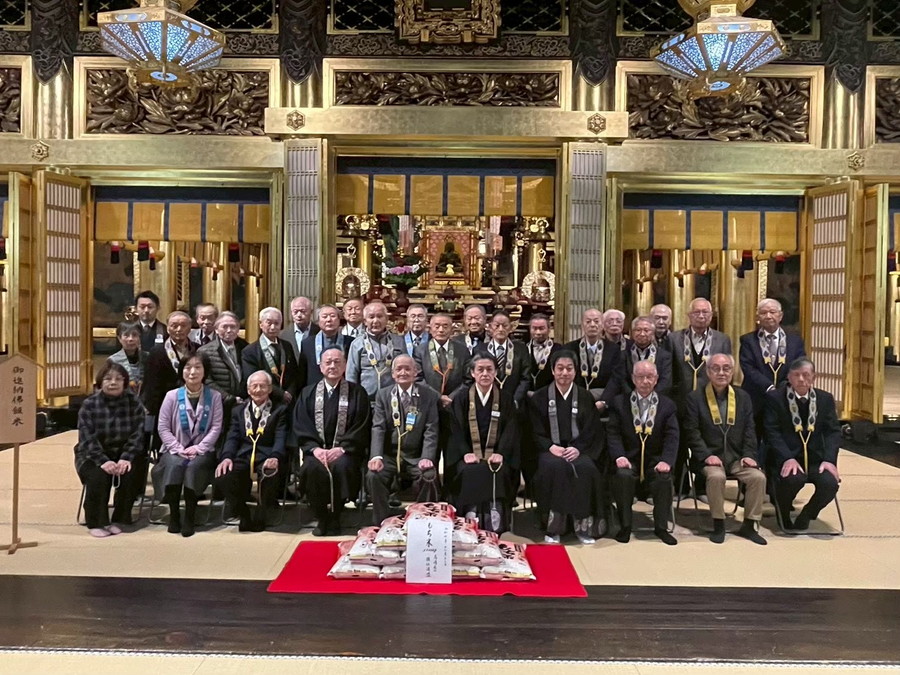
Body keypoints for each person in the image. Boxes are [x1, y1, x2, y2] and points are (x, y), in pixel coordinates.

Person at [683, 354, 767, 545]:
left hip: (737, 457)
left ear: (732, 371)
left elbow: (750, 430)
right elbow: (691, 432)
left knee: (758, 477)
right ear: (708, 371)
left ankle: (749, 524)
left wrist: (749, 455)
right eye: (716, 368)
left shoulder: (742, 397)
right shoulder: (695, 398)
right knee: (716, 477)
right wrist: (706, 455)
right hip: (709, 458)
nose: (721, 373)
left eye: (726, 368)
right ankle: (718, 523)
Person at [527, 350, 606, 544]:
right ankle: (554, 528)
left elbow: (592, 429)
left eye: (569, 368)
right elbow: (533, 430)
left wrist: (578, 448)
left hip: (578, 449)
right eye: (560, 368)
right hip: (549, 450)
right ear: (552, 371)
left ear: (575, 371)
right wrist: (549, 446)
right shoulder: (539, 397)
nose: (564, 373)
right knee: (555, 467)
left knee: (586, 468)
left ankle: (583, 528)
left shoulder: (585, 396)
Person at [291, 347, 371, 535]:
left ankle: (335, 515)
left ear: (345, 365)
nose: (332, 366)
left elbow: (361, 425)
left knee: (342, 467)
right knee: (311, 468)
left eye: (337, 362)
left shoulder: (357, 393)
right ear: (320, 366)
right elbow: (301, 424)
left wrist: (342, 448)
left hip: (346, 452)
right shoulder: (308, 393)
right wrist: (314, 449)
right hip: (316, 452)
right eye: (328, 362)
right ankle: (321, 516)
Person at [763, 358, 841, 531]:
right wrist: (787, 458)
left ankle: (808, 513)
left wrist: (829, 460)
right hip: (786, 458)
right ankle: (783, 512)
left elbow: (833, 432)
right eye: (796, 375)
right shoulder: (775, 398)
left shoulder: (824, 399)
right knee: (792, 480)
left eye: (806, 375)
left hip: (815, 459)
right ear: (789, 377)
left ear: (813, 377)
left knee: (830, 483)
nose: (801, 379)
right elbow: (771, 432)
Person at [607, 360, 679, 545]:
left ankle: (661, 528)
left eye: (649, 377)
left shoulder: (667, 405)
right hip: (629, 458)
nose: (645, 381)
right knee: (622, 476)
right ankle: (625, 526)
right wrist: (619, 456)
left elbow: (672, 437)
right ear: (633, 378)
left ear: (656, 379)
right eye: (640, 377)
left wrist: (666, 460)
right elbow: (613, 433)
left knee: (664, 478)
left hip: (655, 460)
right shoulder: (619, 403)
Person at [446, 355, 520, 533]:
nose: (485, 374)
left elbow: (511, 429)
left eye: (489, 369)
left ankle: (496, 520)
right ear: (472, 373)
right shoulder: (462, 398)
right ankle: (469, 516)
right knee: (467, 470)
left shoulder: (506, 398)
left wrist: (501, 452)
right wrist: (465, 452)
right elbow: (455, 430)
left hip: (497, 454)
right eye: (480, 369)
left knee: (500, 470)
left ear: (495, 373)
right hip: (468, 454)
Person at [155, 353, 223, 537]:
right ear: (182, 371)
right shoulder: (171, 396)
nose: (192, 372)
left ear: (205, 371)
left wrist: (199, 448)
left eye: (198, 367)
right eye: (188, 367)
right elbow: (163, 427)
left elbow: (216, 427)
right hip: (174, 449)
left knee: (193, 467)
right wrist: (177, 448)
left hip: (203, 451)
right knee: (174, 465)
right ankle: (174, 514)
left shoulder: (214, 396)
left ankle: (190, 516)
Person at [366, 355, 441, 524]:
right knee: (373, 475)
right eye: (399, 369)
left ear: (416, 372)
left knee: (429, 475)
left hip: (415, 456)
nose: (403, 372)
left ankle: (422, 521)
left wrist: (427, 457)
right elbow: (378, 427)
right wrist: (376, 456)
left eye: (408, 369)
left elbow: (431, 429)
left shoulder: (428, 395)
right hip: (390, 455)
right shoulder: (383, 395)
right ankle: (382, 522)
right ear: (393, 374)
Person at [75, 362, 146, 538]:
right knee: (98, 475)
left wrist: (126, 457)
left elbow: (138, 434)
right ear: (100, 382)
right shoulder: (89, 404)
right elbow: (87, 438)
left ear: (125, 382)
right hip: (92, 454)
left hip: (124, 453)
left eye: (118, 379)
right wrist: (103, 460)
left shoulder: (134, 403)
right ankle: (96, 521)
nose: (113, 382)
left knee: (131, 472)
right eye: (108, 379)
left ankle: (120, 518)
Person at [215, 371, 290, 532]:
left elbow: (280, 436)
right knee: (223, 474)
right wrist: (227, 457)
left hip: (267, 456)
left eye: (263, 386)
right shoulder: (238, 410)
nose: (258, 390)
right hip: (243, 455)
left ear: (270, 389)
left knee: (271, 473)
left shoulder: (280, 410)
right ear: (248, 390)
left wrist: (275, 456)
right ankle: (243, 511)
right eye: (254, 386)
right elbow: (232, 437)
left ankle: (262, 512)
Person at [739, 298, 806, 468]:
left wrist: (782, 388)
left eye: (772, 312)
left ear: (780, 316)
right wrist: (768, 387)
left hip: (785, 398)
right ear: (758, 317)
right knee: (753, 439)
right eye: (763, 313)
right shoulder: (748, 340)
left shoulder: (795, 341)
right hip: (756, 398)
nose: (768, 316)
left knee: (778, 439)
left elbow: (798, 366)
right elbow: (748, 368)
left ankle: (777, 477)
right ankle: (752, 477)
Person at [669, 298, 732, 404]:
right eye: (697, 312)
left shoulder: (722, 340)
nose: (701, 316)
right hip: (680, 399)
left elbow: (727, 370)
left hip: (711, 399)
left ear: (711, 315)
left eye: (705, 312)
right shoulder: (673, 339)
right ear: (689, 315)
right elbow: (669, 372)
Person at [241, 307, 305, 406]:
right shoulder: (250, 351)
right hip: (265, 400)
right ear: (261, 324)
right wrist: (281, 394)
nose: (273, 327)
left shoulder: (286, 346)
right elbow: (252, 377)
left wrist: (290, 392)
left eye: (276, 323)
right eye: (269, 323)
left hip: (289, 402)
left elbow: (294, 373)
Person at [564, 308, 625, 413]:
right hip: (575, 399)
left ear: (602, 325)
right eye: (588, 321)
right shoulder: (569, 348)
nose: (592, 325)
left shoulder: (614, 349)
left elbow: (616, 379)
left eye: (596, 321)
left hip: (603, 399)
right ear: (582, 325)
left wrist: (604, 401)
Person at [142, 311, 197, 418]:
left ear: (190, 328)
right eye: (174, 326)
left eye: (183, 325)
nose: (179, 329)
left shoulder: (197, 349)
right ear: (167, 328)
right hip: (165, 406)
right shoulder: (157, 352)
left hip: (194, 404)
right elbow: (151, 383)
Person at [346, 301, 405, 400]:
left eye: (380, 316)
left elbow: (405, 369)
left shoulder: (398, 341)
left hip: (393, 398)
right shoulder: (357, 344)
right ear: (365, 321)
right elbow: (351, 375)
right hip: (366, 399)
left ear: (387, 319)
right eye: (371, 317)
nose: (376, 321)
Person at [197, 310, 247, 425]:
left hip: (242, 404)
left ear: (238, 329)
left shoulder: (245, 348)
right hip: (218, 405)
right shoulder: (205, 351)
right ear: (216, 329)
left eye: (233, 327)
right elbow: (206, 380)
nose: (229, 330)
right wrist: (228, 398)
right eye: (224, 327)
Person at [473, 310, 532, 408]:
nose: (500, 329)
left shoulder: (520, 349)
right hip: (488, 401)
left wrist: (515, 400)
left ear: (511, 327)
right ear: (490, 327)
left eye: (505, 326)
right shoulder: (480, 349)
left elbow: (525, 378)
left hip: (514, 402)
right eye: (497, 325)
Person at [622, 316, 673, 397]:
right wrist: (634, 396)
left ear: (653, 333)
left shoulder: (664, 356)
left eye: (646, 330)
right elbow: (622, 380)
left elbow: (665, 382)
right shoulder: (624, 354)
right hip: (628, 398)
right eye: (638, 330)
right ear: (632, 332)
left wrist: (650, 397)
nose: (642, 334)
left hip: (657, 398)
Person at [301, 304, 350, 386]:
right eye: (324, 316)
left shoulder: (351, 342)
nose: (329, 319)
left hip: (344, 387)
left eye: (332, 316)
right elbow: (302, 373)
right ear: (318, 321)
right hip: (315, 388)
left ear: (339, 320)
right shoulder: (307, 343)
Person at [107, 321, 147, 395]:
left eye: (134, 335)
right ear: (119, 338)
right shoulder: (113, 361)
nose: (130, 339)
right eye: (126, 335)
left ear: (140, 337)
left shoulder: (148, 357)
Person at [527, 313, 562, 391]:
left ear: (549, 329)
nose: (538, 332)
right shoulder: (524, 349)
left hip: (550, 394)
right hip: (527, 395)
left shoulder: (559, 350)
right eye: (534, 328)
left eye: (541, 328)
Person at [281, 296, 319, 364]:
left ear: (311, 312)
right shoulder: (282, 335)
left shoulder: (319, 332)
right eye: (295, 311)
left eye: (303, 311)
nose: (299, 315)